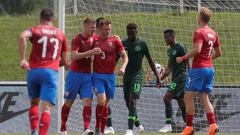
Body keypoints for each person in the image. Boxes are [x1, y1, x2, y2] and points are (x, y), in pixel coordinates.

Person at [18, 8, 69, 135]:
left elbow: (22, 36)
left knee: (34, 103)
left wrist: (23, 59)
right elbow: (66, 61)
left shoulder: (35, 29)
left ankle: (34, 131)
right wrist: (56, 62)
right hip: (50, 73)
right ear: (53, 19)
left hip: (34, 71)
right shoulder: (60, 34)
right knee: (46, 109)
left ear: (40, 18)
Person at [176, 7, 222, 135]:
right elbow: (219, 53)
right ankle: (213, 125)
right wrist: (208, 59)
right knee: (204, 97)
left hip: (198, 69)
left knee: (188, 96)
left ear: (200, 18)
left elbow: (197, 49)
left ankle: (189, 128)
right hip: (210, 69)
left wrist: (183, 58)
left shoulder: (199, 32)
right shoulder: (214, 33)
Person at [60, 18, 102, 135]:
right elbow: (74, 56)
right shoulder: (77, 39)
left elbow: (105, 40)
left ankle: (86, 129)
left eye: (95, 28)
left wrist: (116, 38)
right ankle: (63, 128)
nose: (94, 30)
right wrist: (91, 52)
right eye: (92, 27)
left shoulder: (95, 38)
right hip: (75, 75)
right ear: (85, 26)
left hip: (88, 75)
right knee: (69, 101)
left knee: (88, 101)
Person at [122, 23, 160, 135]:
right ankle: (139, 126)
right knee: (128, 103)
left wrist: (157, 77)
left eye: (132, 30)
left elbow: (150, 60)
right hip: (126, 77)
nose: (130, 33)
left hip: (137, 76)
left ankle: (129, 129)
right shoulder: (123, 43)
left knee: (133, 99)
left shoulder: (142, 44)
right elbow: (115, 57)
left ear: (136, 31)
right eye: (128, 30)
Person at [93, 19, 128, 135]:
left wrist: (123, 67)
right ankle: (97, 128)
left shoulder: (116, 41)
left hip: (111, 76)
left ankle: (102, 130)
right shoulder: (94, 40)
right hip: (98, 76)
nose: (108, 31)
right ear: (99, 29)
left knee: (106, 104)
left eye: (109, 29)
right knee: (101, 101)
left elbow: (125, 57)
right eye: (105, 29)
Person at [157, 29, 188, 133]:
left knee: (166, 98)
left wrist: (191, 77)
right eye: (164, 37)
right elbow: (169, 67)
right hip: (175, 78)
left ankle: (168, 125)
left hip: (181, 77)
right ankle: (189, 126)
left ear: (173, 37)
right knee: (182, 104)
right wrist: (160, 79)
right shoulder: (169, 50)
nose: (165, 39)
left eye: (167, 37)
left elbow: (189, 62)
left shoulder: (180, 47)